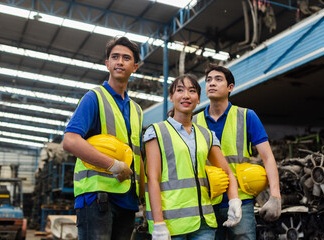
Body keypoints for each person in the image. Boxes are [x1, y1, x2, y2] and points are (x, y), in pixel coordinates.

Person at [63, 36, 144, 240]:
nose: (119, 62)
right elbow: (70, 141)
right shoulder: (94, 97)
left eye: (126, 58)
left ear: (135, 67)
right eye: (114, 57)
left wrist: (144, 196)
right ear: (107, 63)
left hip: (128, 201)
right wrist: (114, 165)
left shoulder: (137, 110)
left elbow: (137, 155)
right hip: (97, 198)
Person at [144, 74, 242, 240]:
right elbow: (153, 180)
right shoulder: (156, 132)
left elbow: (227, 172)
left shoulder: (207, 135)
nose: (186, 96)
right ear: (171, 97)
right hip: (171, 225)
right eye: (180, 90)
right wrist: (158, 223)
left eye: (192, 91)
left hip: (204, 223)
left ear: (198, 99)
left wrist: (234, 200)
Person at [193, 64, 281, 240]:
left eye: (218, 79)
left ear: (230, 87)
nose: (212, 83)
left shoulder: (247, 116)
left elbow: (268, 158)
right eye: (208, 80)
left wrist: (275, 196)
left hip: (241, 201)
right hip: (206, 203)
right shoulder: (193, 121)